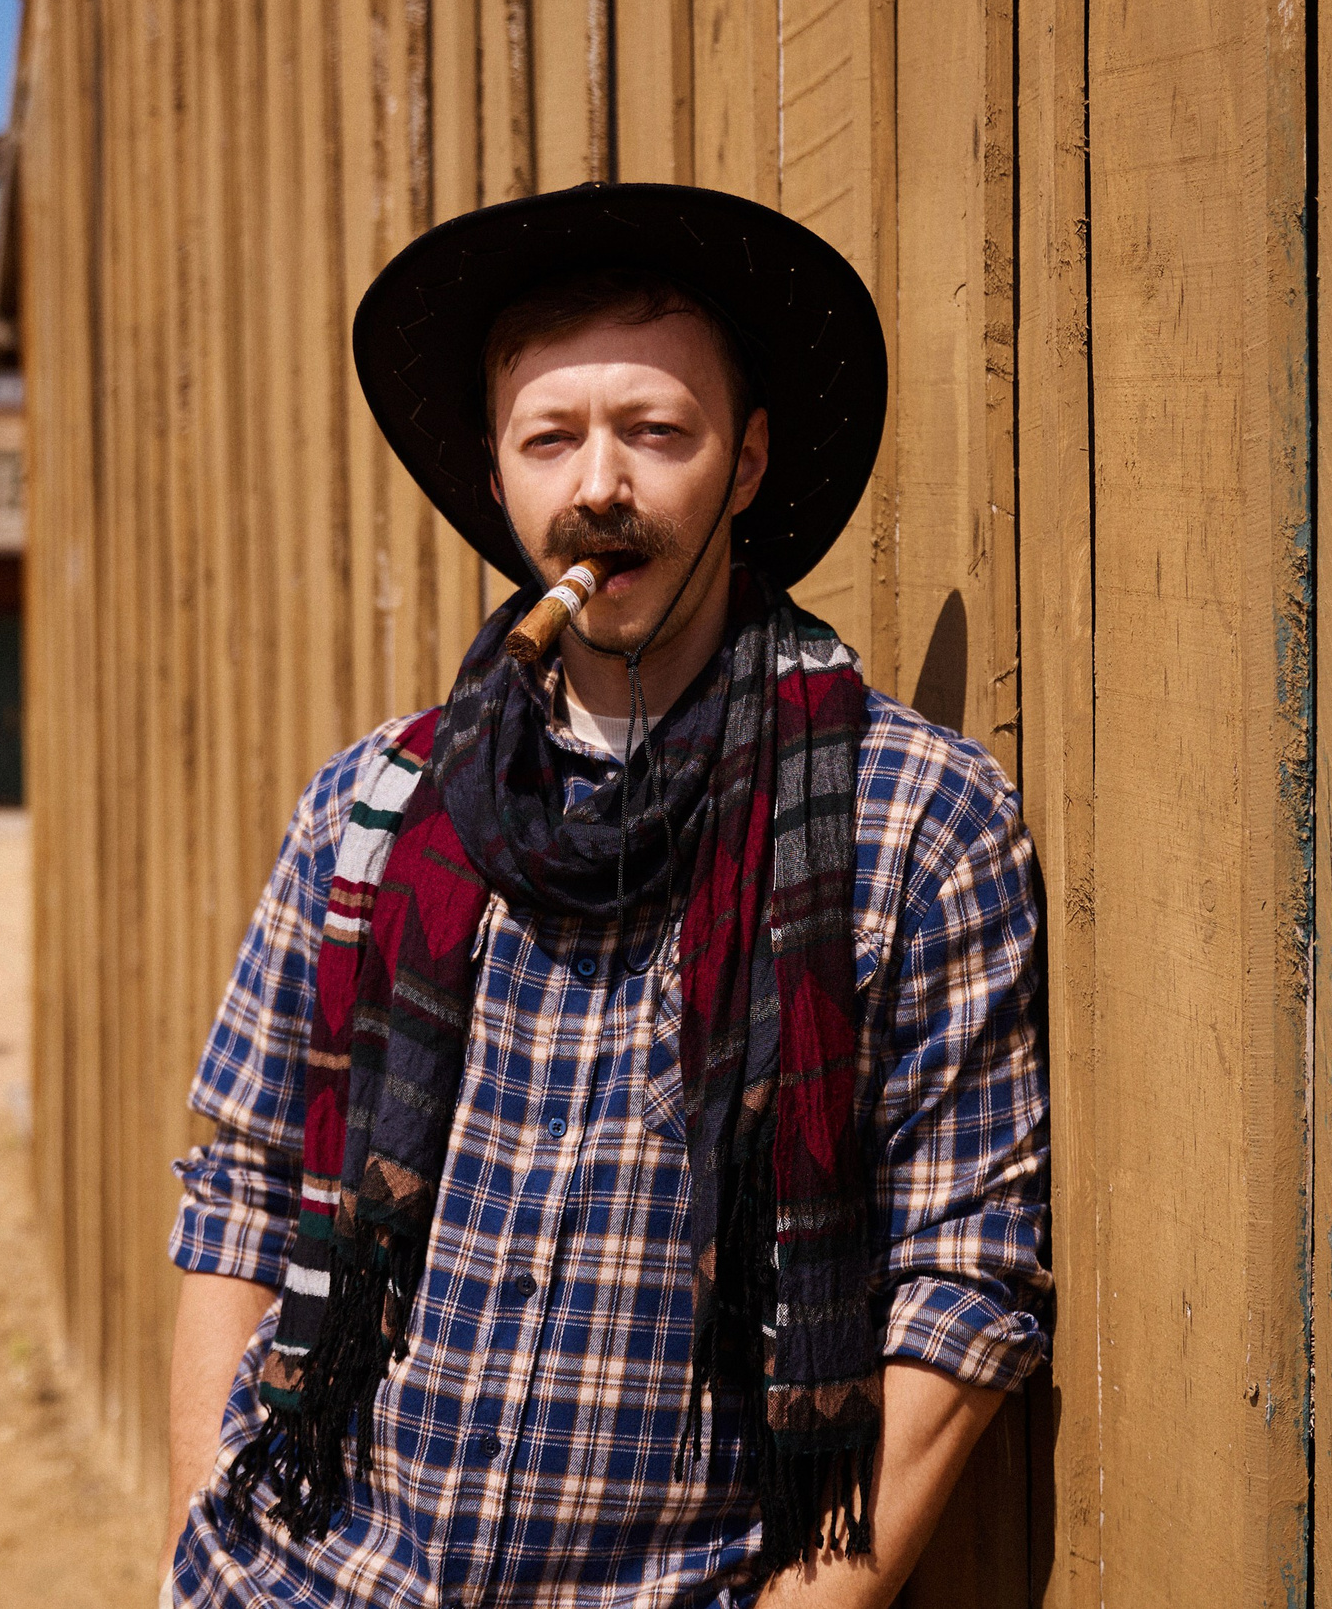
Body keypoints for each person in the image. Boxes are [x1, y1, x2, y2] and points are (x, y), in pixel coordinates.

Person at [161, 184, 1049, 1609]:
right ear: (501, 477)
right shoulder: (373, 806)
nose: (600, 486)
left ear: (745, 462)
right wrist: (196, 1547)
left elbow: (964, 1284)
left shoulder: (912, 820)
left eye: (656, 431)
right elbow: (247, 1187)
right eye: (551, 439)